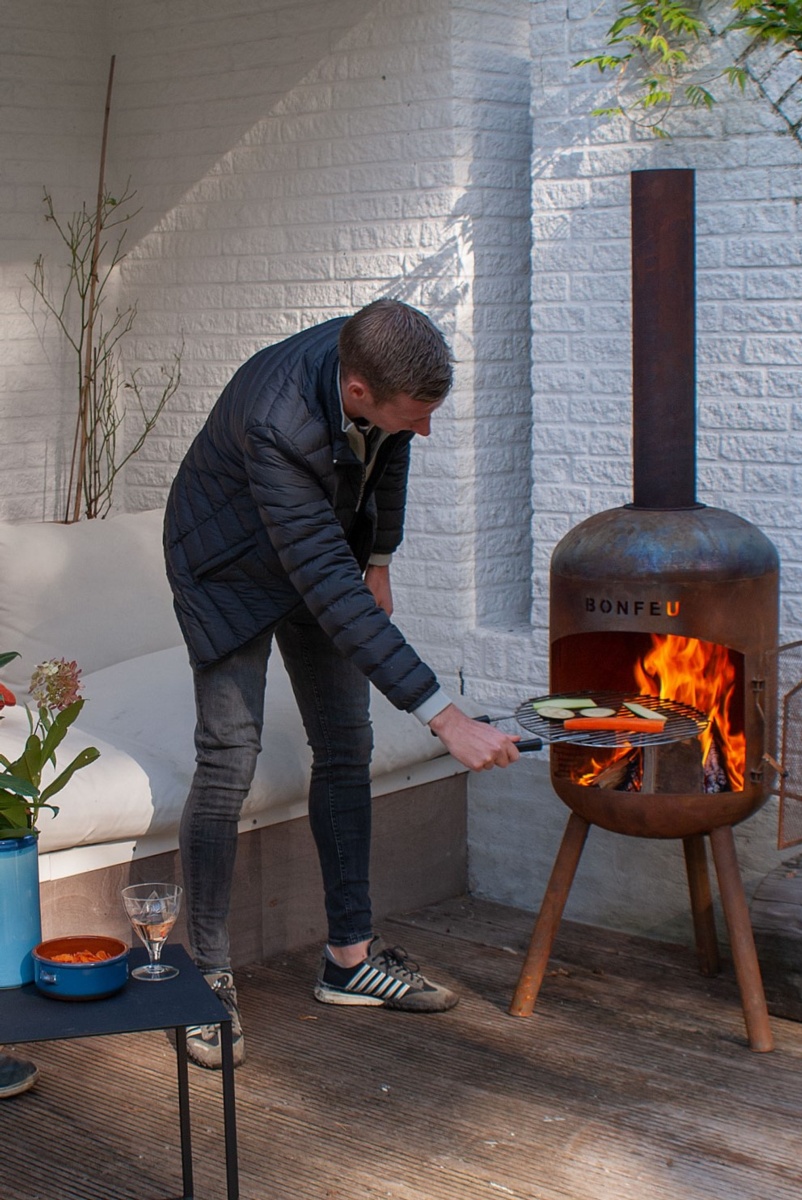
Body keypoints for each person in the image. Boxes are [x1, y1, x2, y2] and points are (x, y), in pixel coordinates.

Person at [164, 298, 521, 1070]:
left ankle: (349, 959)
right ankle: (205, 974)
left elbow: (392, 453)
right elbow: (325, 582)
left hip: (313, 544)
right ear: (356, 390)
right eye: (414, 414)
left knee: (346, 743)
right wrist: (443, 716)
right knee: (230, 754)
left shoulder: (374, 357)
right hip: (224, 567)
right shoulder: (278, 419)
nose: (426, 429)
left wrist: (382, 556)